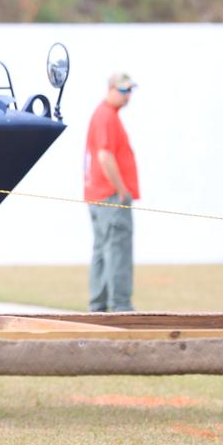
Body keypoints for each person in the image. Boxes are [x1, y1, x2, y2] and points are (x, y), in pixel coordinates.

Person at [84, 72, 139, 312]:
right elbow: (104, 156)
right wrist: (122, 190)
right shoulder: (106, 116)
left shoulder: (105, 114)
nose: (128, 96)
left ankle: (99, 306)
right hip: (110, 197)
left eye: (130, 91)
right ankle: (121, 307)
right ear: (111, 89)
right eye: (124, 91)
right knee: (117, 251)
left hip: (98, 195)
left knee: (102, 250)